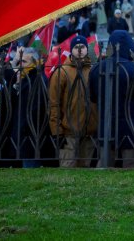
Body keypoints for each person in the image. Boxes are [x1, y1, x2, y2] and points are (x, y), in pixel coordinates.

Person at [90, 30, 134, 167]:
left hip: (106, 125)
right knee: (131, 165)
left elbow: (92, 97)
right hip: (131, 124)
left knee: (105, 165)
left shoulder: (97, 68)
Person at [47, 35, 98, 168]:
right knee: (67, 167)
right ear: (71, 50)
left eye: (82, 47)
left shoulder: (92, 70)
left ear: (87, 49)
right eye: (76, 47)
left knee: (85, 168)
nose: (80, 50)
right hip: (68, 130)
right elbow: (54, 103)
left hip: (89, 130)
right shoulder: (62, 72)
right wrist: (57, 131)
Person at [11, 47, 47, 168]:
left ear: (35, 63)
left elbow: (35, 109)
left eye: (24, 62)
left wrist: (23, 129)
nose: (21, 65)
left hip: (30, 136)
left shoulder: (36, 79)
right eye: (20, 62)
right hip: (24, 137)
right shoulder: (26, 78)